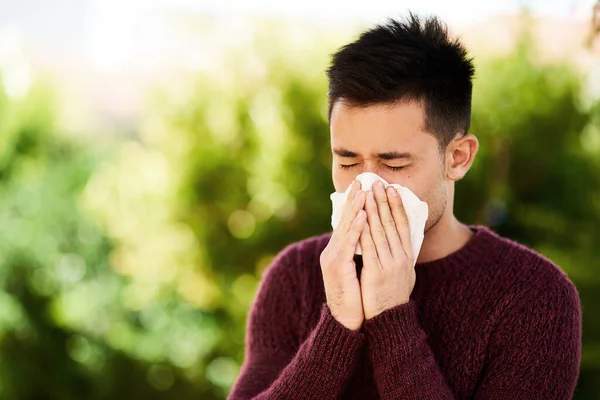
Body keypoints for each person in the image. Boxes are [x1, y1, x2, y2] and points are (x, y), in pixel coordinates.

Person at [228, 13, 581, 400]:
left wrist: (390, 317)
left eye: (393, 164)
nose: (365, 185)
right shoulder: (295, 276)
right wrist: (338, 324)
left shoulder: (534, 296)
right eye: (347, 162)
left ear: (458, 157)